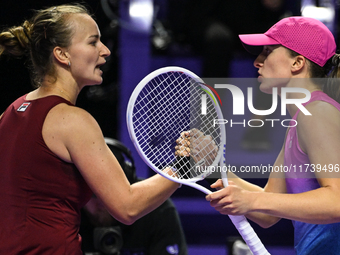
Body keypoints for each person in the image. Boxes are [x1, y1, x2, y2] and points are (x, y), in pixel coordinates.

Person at [0, 4, 180, 254]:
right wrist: (185, 167)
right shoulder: (72, 120)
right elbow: (127, 207)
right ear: (62, 55)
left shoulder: (11, 110)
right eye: (93, 42)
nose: (105, 51)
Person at [176, 16, 340, 254]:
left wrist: (251, 201)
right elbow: (267, 212)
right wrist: (214, 164)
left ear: (297, 63)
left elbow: (336, 201)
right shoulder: (301, 120)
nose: (257, 62)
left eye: (268, 51)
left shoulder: (318, 113)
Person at [80, 138, 188, 255]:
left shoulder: (158, 208)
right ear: (78, 192)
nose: (103, 202)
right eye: (94, 195)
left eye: (110, 193)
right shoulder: (67, 211)